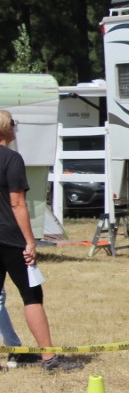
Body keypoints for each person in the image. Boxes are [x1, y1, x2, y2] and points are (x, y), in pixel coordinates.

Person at [0, 111, 80, 371]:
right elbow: (17, 203)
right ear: (5, 129)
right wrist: (30, 241)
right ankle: (49, 358)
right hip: (10, 238)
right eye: (13, 123)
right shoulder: (11, 159)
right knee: (31, 294)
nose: (16, 128)